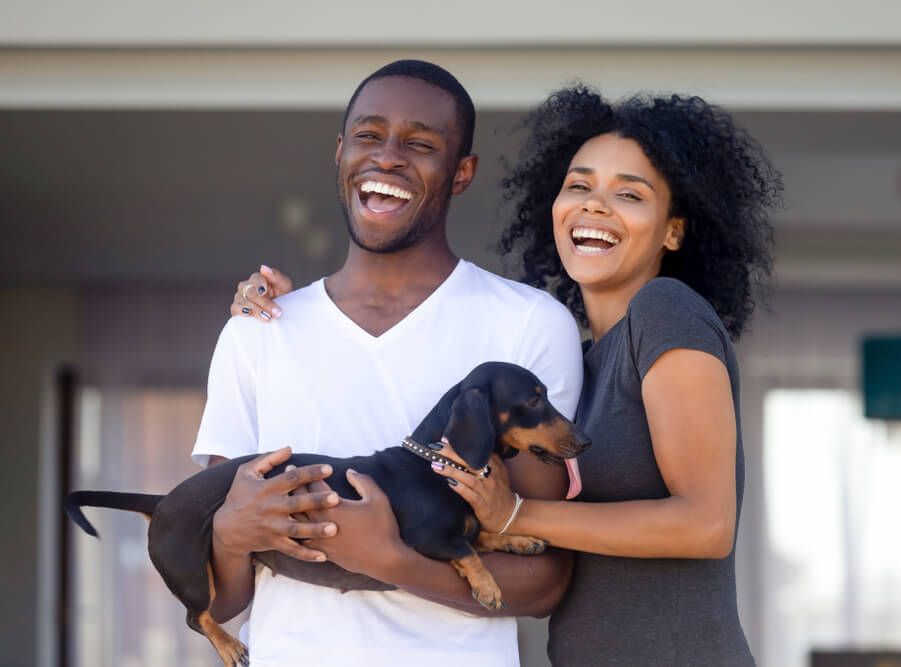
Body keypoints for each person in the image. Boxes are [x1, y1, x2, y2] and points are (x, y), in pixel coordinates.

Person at [238, 86, 781, 666]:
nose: (595, 206)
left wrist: (516, 514)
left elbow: (707, 524)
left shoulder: (666, 312)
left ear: (672, 230)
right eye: (579, 186)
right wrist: (296, 315)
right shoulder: (585, 361)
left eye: (628, 194)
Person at [195, 60, 584, 667]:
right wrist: (226, 533)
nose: (388, 157)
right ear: (341, 152)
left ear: (461, 173)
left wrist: (390, 560)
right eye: (369, 136)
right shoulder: (258, 333)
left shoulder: (528, 325)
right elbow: (222, 599)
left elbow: (547, 581)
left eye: (420, 144)